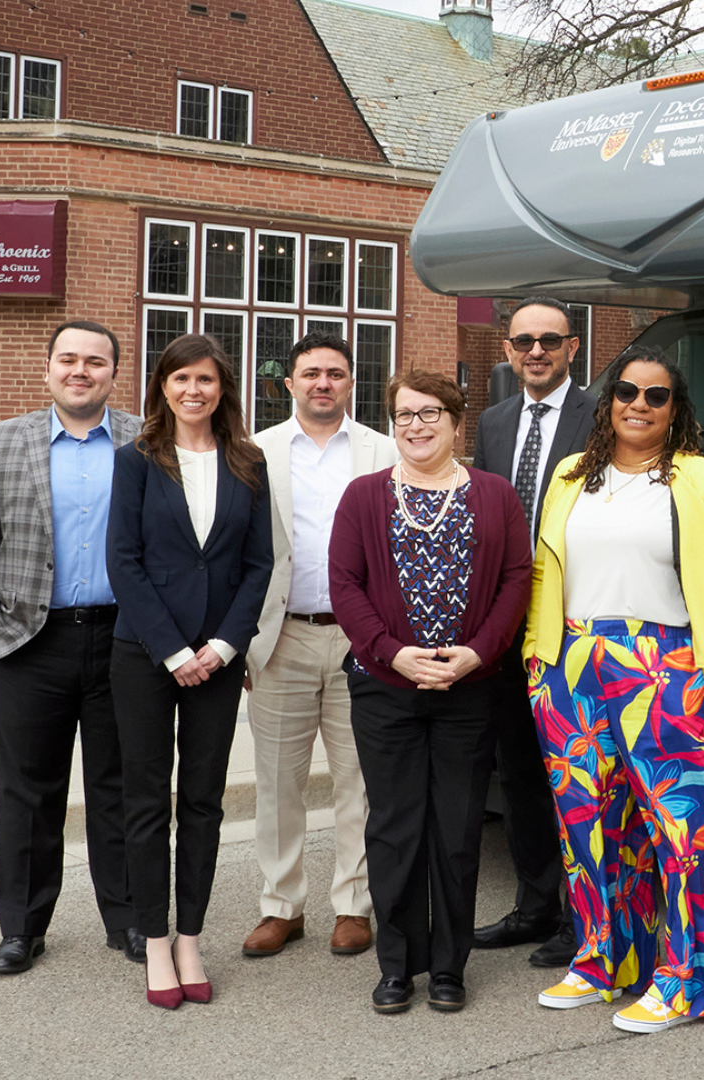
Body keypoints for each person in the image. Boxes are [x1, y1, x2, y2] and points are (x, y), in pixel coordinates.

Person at [526, 346, 704, 1034]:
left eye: (655, 395)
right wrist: (538, 662)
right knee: (588, 827)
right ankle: (605, 957)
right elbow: (546, 571)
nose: (638, 403)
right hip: (569, 666)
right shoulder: (573, 475)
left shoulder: (702, 478)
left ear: (674, 410)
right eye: (626, 391)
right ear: (607, 403)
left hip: (665, 664)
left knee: (690, 832)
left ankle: (690, 980)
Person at [330, 370, 533, 1015]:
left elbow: (515, 581)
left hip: (469, 690)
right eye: (403, 415)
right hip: (385, 690)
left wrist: (478, 653)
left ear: (455, 420)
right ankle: (398, 966)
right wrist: (393, 653)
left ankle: (448, 966)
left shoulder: (496, 495)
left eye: (429, 414)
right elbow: (346, 586)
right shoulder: (363, 496)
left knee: (455, 830)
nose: (415, 426)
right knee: (393, 830)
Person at [0, 320, 143, 976]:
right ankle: (22, 928)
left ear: (113, 374)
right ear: (49, 369)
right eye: (69, 359)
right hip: (28, 643)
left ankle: (128, 921)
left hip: (124, 642)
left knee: (118, 785)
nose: (81, 371)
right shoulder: (1, 441)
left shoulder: (146, 440)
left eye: (95, 361)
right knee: (28, 791)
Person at [108, 334, 272, 1008]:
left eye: (204, 379)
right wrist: (174, 650)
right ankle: (153, 941)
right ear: (163, 388)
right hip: (147, 655)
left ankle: (190, 939)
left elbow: (260, 562)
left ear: (221, 386)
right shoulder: (138, 461)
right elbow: (125, 560)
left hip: (220, 658)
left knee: (203, 803)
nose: (193, 391)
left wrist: (226, 646)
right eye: (180, 380)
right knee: (147, 803)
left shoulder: (248, 460)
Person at [241, 332, 399, 959]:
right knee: (277, 782)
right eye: (311, 373)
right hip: (281, 638)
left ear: (350, 383)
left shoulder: (385, 450)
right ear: (290, 384)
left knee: (357, 780)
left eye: (335, 373)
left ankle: (353, 906)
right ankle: (282, 907)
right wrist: (242, 641)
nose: (322, 383)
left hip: (362, 640)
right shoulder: (255, 452)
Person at [469, 298, 596, 969]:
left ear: (573, 347)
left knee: (580, 778)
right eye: (524, 341)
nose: (536, 351)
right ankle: (536, 904)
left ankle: (590, 917)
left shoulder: (603, 415)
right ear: (509, 349)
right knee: (519, 774)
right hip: (507, 629)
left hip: (577, 624)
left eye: (550, 340)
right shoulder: (492, 422)